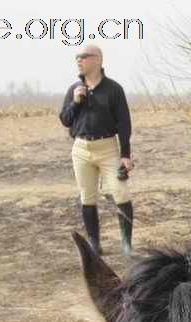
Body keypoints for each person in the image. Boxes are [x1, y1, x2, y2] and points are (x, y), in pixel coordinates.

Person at [59, 44, 134, 257]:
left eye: (83, 56)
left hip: (108, 147)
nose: (79, 60)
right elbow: (65, 120)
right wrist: (75, 102)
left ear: (98, 60)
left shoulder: (114, 89)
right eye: (77, 57)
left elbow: (124, 124)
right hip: (81, 149)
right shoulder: (74, 89)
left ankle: (127, 244)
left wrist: (126, 155)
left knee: (121, 193)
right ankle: (94, 244)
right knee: (87, 196)